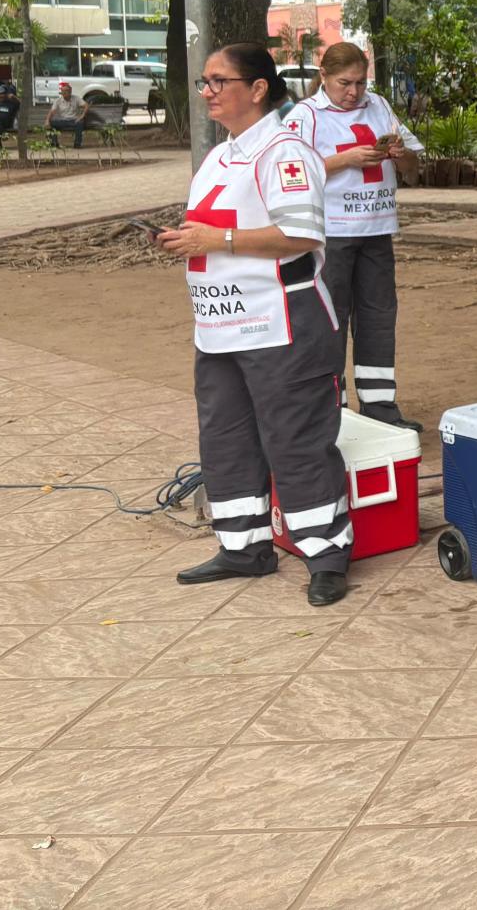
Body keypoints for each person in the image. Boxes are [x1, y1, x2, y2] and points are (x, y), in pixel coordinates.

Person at [154, 43, 353, 606]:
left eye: (220, 81)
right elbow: (214, 228)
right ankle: (243, 547)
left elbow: (301, 234)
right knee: (226, 437)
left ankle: (326, 555)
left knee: (296, 439)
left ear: (259, 88)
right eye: (205, 82)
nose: (207, 92)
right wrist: (185, 240)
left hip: (281, 322)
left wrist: (215, 239)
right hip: (220, 325)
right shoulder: (220, 156)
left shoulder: (285, 152)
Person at [285, 42, 425, 432]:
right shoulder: (305, 116)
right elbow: (290, 174)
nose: (354, 92)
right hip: (331, 234)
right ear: (324, 77)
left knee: (379, 317)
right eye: (344, 83)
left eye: (360, 82)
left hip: (377, 230)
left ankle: (380, 408)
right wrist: (345, 160)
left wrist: (399, 153)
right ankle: (333, 412)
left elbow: (413, 167)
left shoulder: (378, 105)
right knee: (330, 320)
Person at [46, 82, 97, 148]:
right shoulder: (58, 101)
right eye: (63, 91)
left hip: (74, 120)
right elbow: (52, 111)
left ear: (70, 91)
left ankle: (77, 144)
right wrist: (47, 120)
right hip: (62, 121)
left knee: (80, 123)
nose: (64, 93)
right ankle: (54, 143)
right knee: (51, 123)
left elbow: (86, 105)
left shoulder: (76, 98)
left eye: (66, 91)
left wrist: (82, 116)